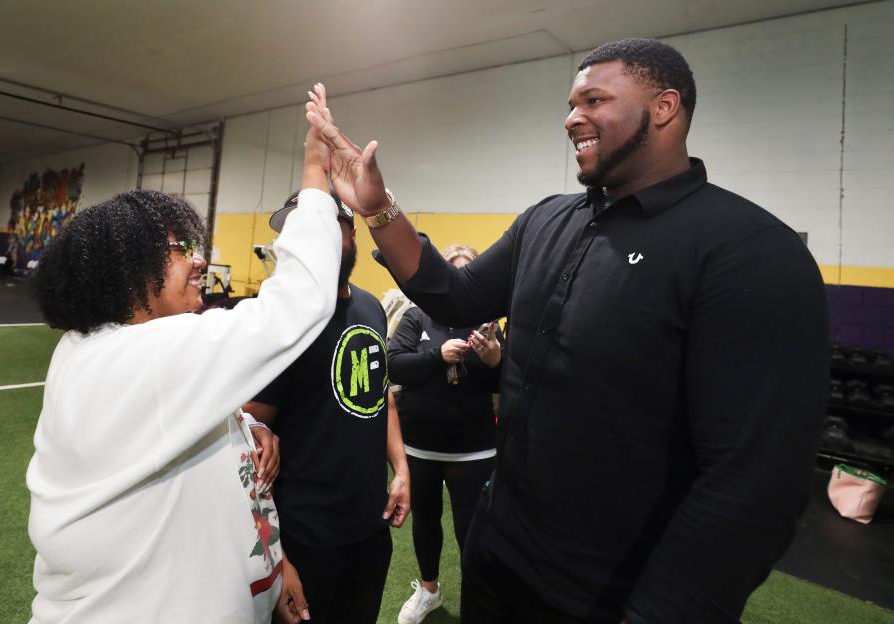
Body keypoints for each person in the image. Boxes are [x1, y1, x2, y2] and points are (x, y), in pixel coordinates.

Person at [303, 36, 830, 624]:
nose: (571, 118)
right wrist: (377, 206)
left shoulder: (749, 253)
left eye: (594, 100)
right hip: (499, 557)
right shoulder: (547, 220)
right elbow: (454, 292)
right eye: (571, 103)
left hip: (608, 593)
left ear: (664, 107)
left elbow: (752, 486)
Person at [26, 123, 342, 623]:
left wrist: (247, 425)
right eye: (178, 249)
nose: (199, 260)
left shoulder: (95, 349)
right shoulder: (146, 358)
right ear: (130, 273)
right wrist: (315, 177)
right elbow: (300, 301)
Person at [241, 186, 410, 624]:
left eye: (322, 228)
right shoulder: (283, 323)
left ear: (350, 232)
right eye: (300, 232)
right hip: (307, 540)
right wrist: (279, 559)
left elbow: (382, 398)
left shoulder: (372, 307)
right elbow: (249, 447)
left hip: (371, 530)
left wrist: (402, 467)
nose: (310, 243)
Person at [387, 243, 503, 624]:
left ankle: (478, 598)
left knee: (473, 527)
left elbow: (509, 381)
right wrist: (437, 357)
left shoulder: (488, 322)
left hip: (474, 446)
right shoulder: (417, 317)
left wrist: (493, 361)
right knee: (426, 519)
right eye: (455, 272)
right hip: (421, 443)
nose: (461, 279)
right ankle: (429, 589)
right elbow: (394, 367)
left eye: (468, 272)